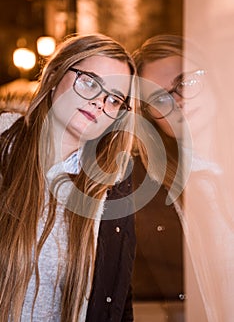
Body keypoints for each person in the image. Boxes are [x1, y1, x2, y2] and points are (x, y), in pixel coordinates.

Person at [0, 33, 137, 322]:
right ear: (54, 76)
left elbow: (118, 300)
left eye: (114, 99)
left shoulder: (114, 189)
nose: (100, 102)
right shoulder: (4, 149)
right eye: (89, 82)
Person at [133, 34, 234, 322]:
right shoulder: (145, 193)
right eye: (159, 98)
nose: (178, 101)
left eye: (186, 81)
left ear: (213, 78)